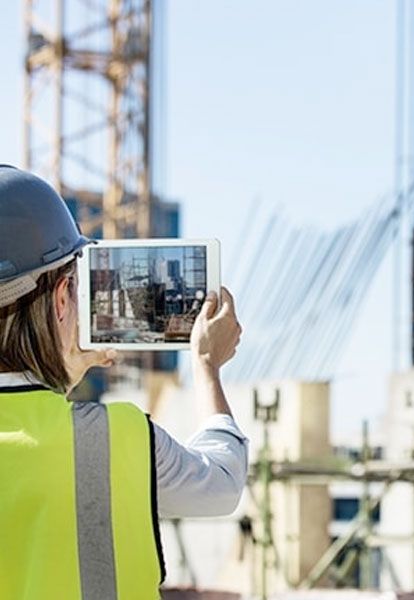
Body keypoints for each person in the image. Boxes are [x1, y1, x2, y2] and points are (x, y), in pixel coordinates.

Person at [0, 164, 247, 599]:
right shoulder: (115, 438)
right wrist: (207, 366)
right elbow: (221, 483)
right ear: (62, 298)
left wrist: (61, 378)